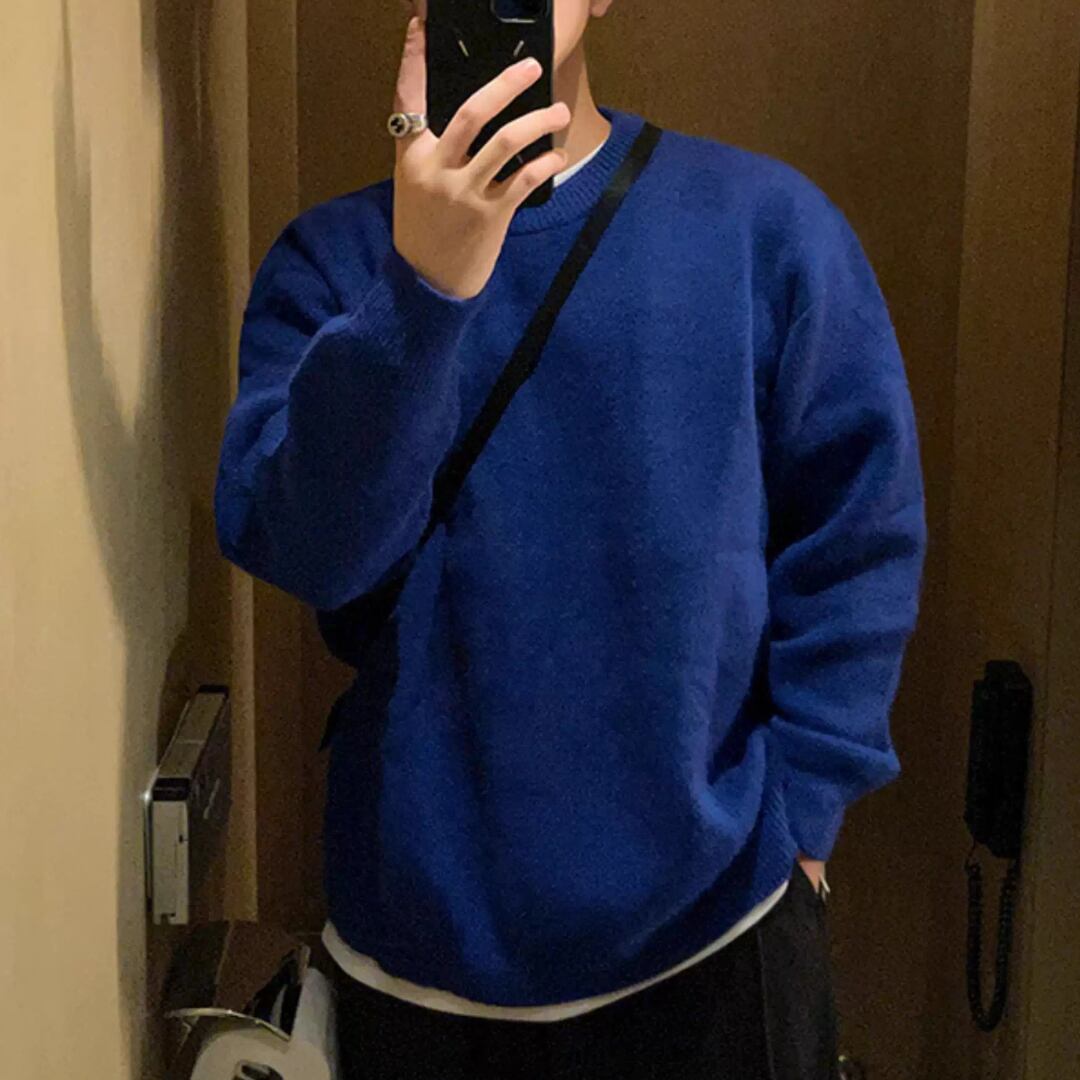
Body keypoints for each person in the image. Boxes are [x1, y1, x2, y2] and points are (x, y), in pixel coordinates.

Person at [213, 1, 928, 1076]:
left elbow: (858, 534)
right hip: (419, 952)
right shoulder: (332, 262)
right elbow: (312, 550)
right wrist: (425, 288)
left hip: (716, 937)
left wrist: (808, 821)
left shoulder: (765, 230)